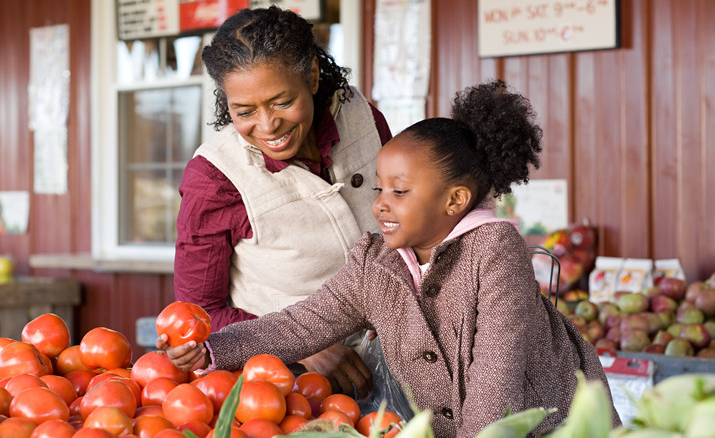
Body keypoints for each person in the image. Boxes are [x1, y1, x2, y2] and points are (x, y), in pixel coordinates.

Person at [163, 79, 621, 437]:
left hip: (552, 426)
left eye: (399, 192)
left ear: (455, 200)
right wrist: (213, 350)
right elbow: (299, 324)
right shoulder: (378, 261)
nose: (381, 203)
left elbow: (495, 379)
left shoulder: (496, 253)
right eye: (380, 188)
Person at [167, 5, 393, 398]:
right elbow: (199, 315)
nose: (268, 126)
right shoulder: (214, 178)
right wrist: (306, 345)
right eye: (244, 111)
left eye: (282, 101)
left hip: (398, 356)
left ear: (311, 75)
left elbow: (409, 218)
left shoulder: (362, 118)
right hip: (284, 387)